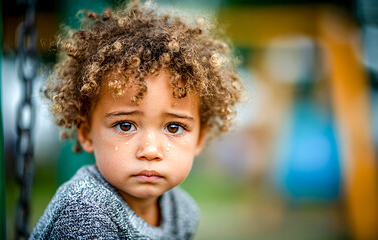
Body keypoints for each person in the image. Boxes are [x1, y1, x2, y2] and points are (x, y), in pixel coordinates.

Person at [30, 0, 243, 239]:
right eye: (125, 125)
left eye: (174, 127)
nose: (150, 150)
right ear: (86, 133)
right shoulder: (86, 210)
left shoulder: (183, 211)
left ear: (199, 138)